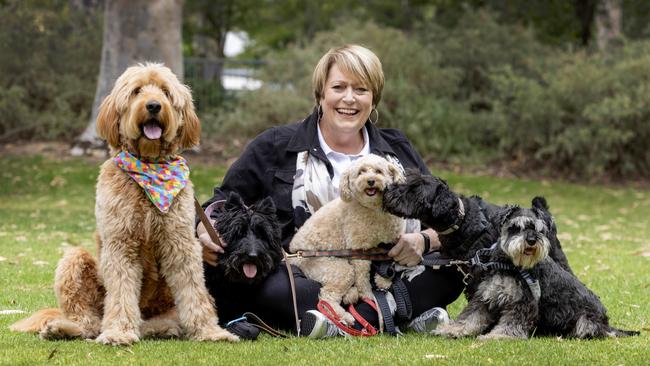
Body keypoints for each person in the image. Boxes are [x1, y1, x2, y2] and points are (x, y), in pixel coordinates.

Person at [197, 44, 464, 338]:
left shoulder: (396, 149)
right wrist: (205, 230)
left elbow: (448, 217)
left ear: (373, 98)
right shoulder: (275, 144)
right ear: (321, 94)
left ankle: (344, 320)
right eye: (339, 87)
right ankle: (395, 314)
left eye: (361, 89)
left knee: (454, 269)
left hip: (391, 273)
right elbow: (221, 201)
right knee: (272, 287)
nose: (349, 98)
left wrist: (423, 241)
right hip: (309, 274)